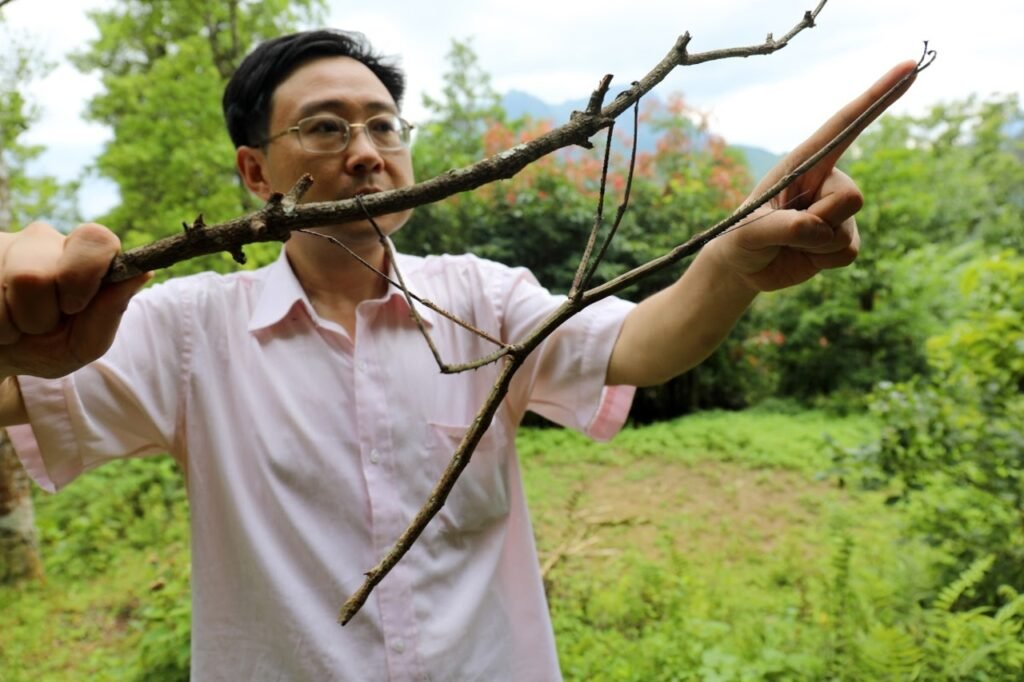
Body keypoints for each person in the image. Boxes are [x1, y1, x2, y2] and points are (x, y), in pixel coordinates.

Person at [0, 29, 916, 681]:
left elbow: (639, 342)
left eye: (385, 126)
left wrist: (729, 261)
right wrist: (21, 337)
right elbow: (19, 392)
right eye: (326, 127)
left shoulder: (481, 299)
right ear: (254, 174)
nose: (367, 153)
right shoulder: (184, 329)